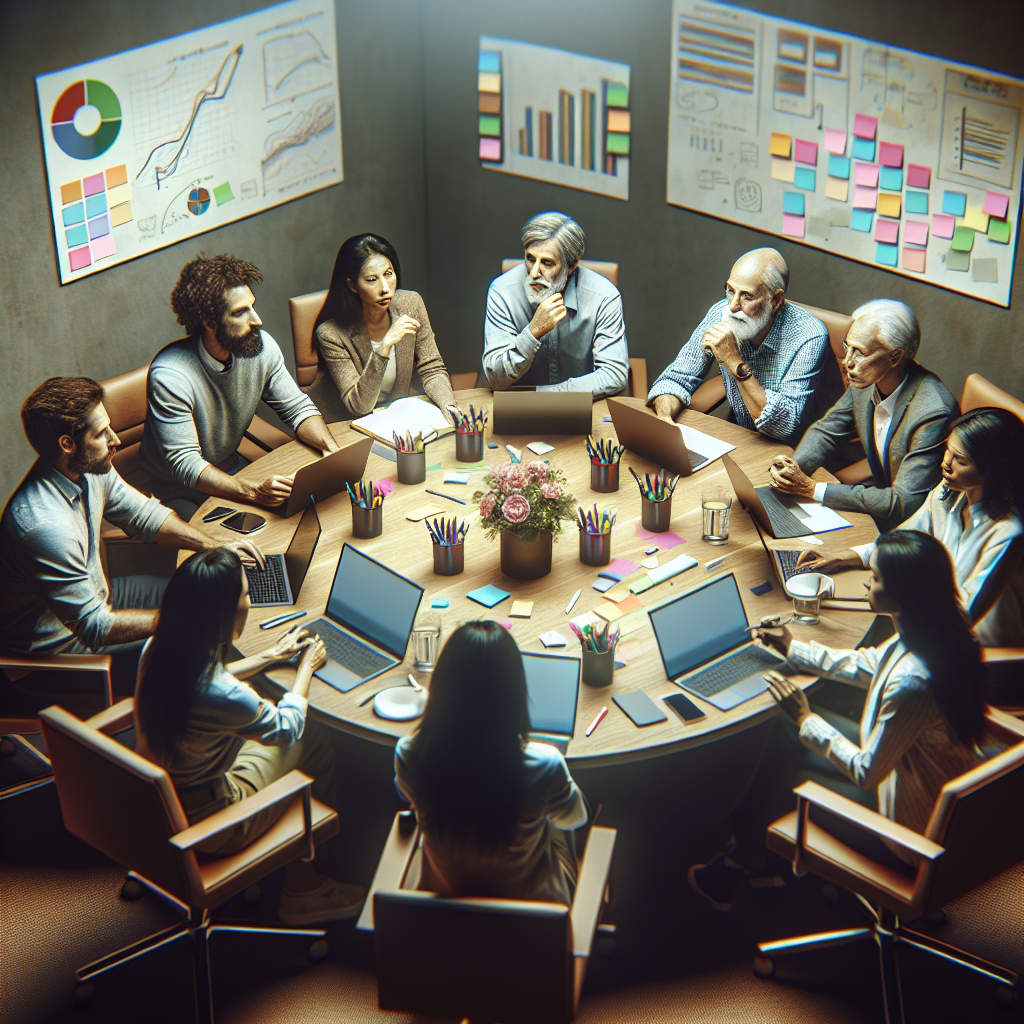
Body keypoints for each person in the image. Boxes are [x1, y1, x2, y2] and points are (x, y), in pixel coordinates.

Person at [688, 530, 985, 912]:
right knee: (788, 731)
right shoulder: (943, 634)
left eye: (875, 577)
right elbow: (868, 665)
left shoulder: (914, 681)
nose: (866, 581)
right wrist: (793, 648)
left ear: (902, 595)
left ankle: (735, 862)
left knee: (791, 763)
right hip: (930, 793)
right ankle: (743, 854)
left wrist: (807, 717)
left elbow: (866, 772)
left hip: (906, 833)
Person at [0, 377, 264, 706]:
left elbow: (144, 515)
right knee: (198, 633)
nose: (115, 441)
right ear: (68, 444)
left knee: (205, 591)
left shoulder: (89, 467)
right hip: (57, 654)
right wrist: (183, 617)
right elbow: (93, 628)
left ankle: (231, 693)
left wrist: (214, 546)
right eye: (101, 434)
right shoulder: (44, 526)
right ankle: (215, 721)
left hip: (98, 597)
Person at [134, 548, 365, 924]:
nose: (250, 600)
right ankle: (304, 889)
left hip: (155, 806)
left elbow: (208, 680)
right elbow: (288, 728)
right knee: (314, 737)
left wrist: (270, 656)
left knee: (270, 712)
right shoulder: (224, 695)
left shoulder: (157, 649)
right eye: (244, 594)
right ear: (222, 613)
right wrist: (305, 668)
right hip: (212, 824)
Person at [394, 621, 588, 904]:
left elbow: (404, 794)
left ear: (442, 687)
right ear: (514, 694)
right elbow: (575, 818)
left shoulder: (409, 755)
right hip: (532, 928)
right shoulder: (546, 765)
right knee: (556, 823)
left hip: (444, 922)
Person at [795, 408, 1024, 647]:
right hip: (930, 616)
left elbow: (964, 613)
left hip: (977, 646)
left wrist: (897, 599)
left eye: (961, 460)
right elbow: (908, 535)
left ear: (993, 471)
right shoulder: (949, 492)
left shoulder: (1008, 533)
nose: (946, 463)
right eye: (948, 450)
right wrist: (844, 556)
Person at [135, 254, 341, 520]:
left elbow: (297, 407)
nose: (257, 320)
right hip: (173, 487)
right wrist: (253, 493)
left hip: (230, 466)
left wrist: (332, 452)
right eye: (240, 312)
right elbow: (185, 465)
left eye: (252, 306)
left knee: (305, 509)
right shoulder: (172, 375)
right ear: (210, 323)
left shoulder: (261, 347)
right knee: (234, 545)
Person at [769, 299, 959, 532]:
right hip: (876, 505)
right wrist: (793, 470)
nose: (848, 362)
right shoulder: (867, 380)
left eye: (860, 353)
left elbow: (903, 502)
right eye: (847, 347)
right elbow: (826, 431)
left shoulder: (933, 412)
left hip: (916, 530)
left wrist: (811, 488)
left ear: (895, 357)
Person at [647, 248, 843, 445]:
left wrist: (733, 359)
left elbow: (783, 428)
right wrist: (665, 420)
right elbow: (675, 379)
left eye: (747, 296)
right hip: (743, 437)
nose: (732, 305)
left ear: (775, 301)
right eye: (730, 290)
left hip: (795, 450)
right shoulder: (721, 313)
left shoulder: (809, 336)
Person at [483, 212, 629, 396]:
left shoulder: (604, 297)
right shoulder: (502, 291)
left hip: (582, 409)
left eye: (547, 263)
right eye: (530, 259)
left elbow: (615, 374)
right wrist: (532, 332)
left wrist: (548, 396)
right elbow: (496, 378)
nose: (534, 273)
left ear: (572, 265)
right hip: (518, 409)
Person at [313, 234, 457, 418]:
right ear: (353, 285)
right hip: (342, 425)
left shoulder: (411, 304)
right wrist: (384, 348)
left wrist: (448, 406)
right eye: (372, 279)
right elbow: (359, 405)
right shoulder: (330, 334)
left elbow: (432, 368)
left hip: (391, 419)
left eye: (388, 274)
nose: (385, 288)